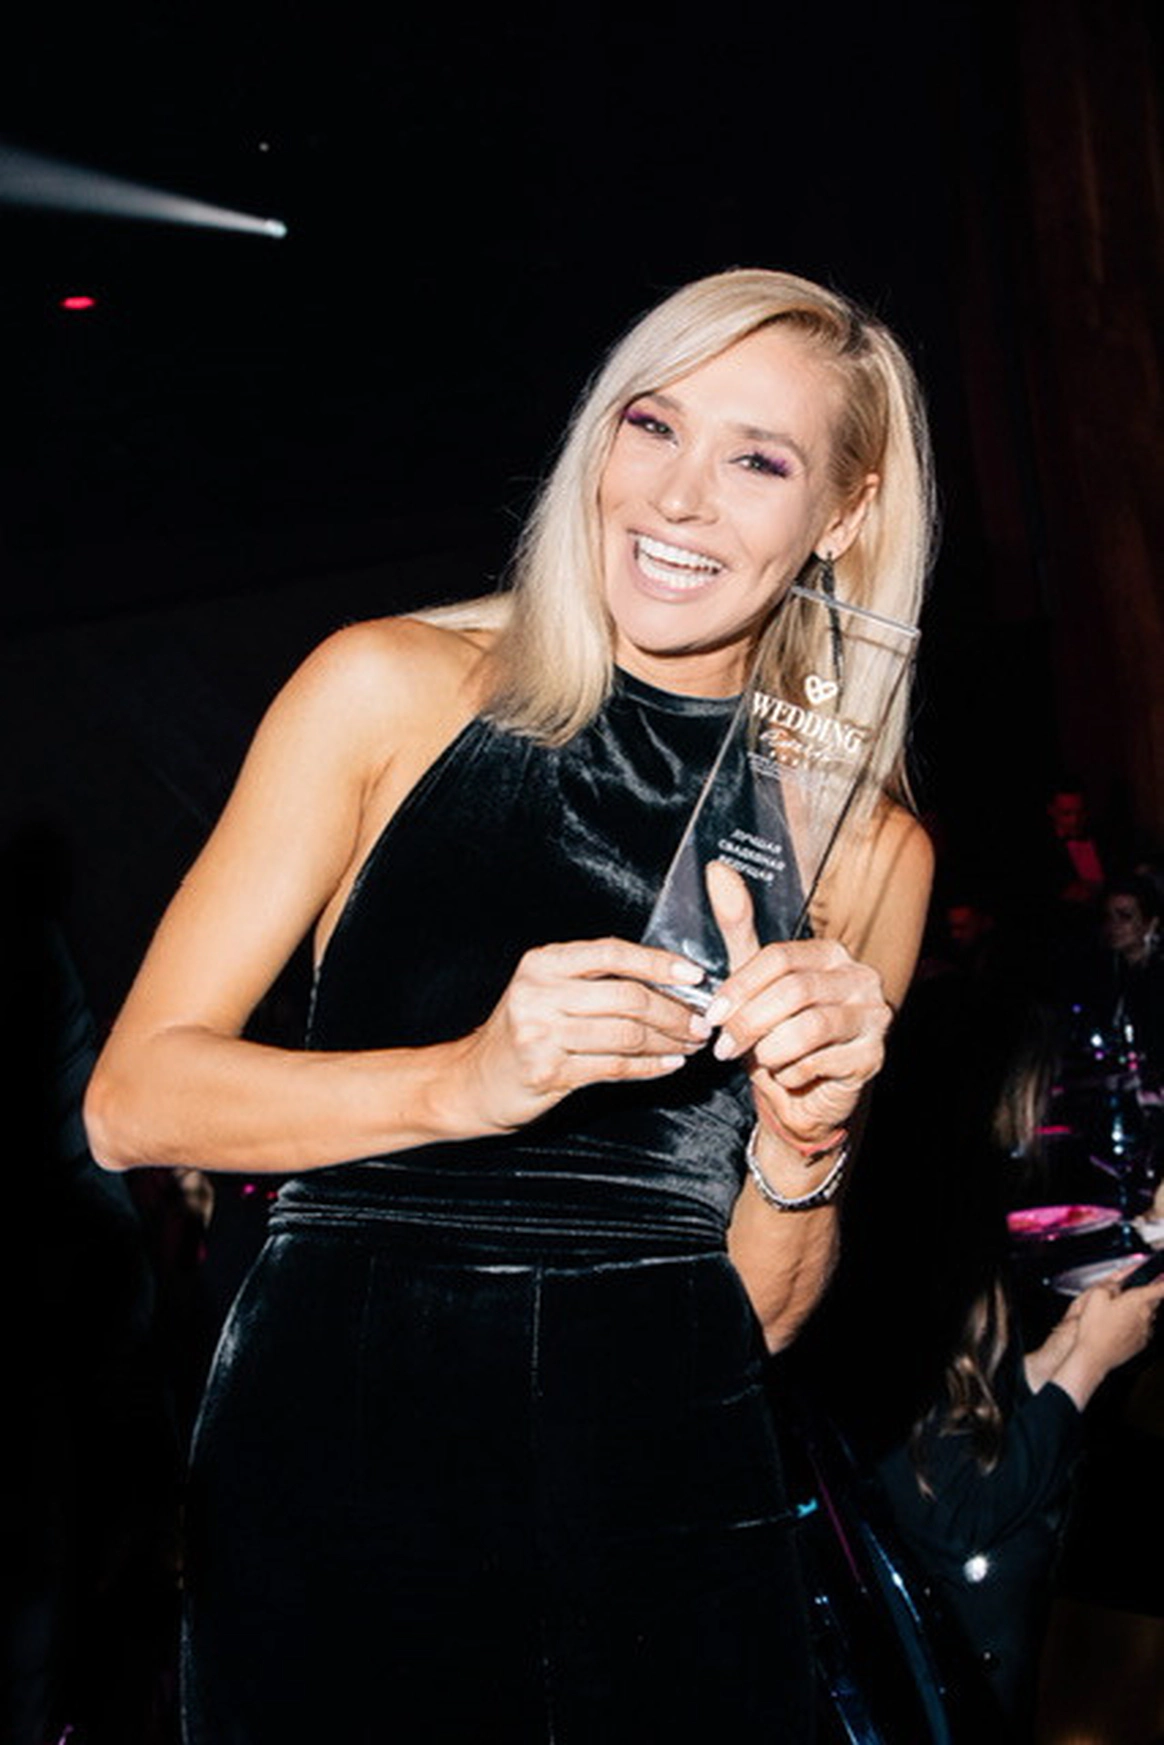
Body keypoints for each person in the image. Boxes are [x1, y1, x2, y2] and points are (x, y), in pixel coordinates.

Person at [84, 268, 936, 1743]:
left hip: (674, 1490)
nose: (677, 496)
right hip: (342, 1451)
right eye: (651, 424)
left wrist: (806, 1139)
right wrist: (466, 1080)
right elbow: (132, 1102)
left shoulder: (866, 847)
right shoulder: (387, 689)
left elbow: (756, 1317)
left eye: (758, 459)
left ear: (843, 514)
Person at [876, 1261, 1164, 1733]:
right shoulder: (884, 1330)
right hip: (948, 1697)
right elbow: (961, 1517)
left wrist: (1062, 1351)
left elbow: (970, 1430)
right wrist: (1087, 1364)